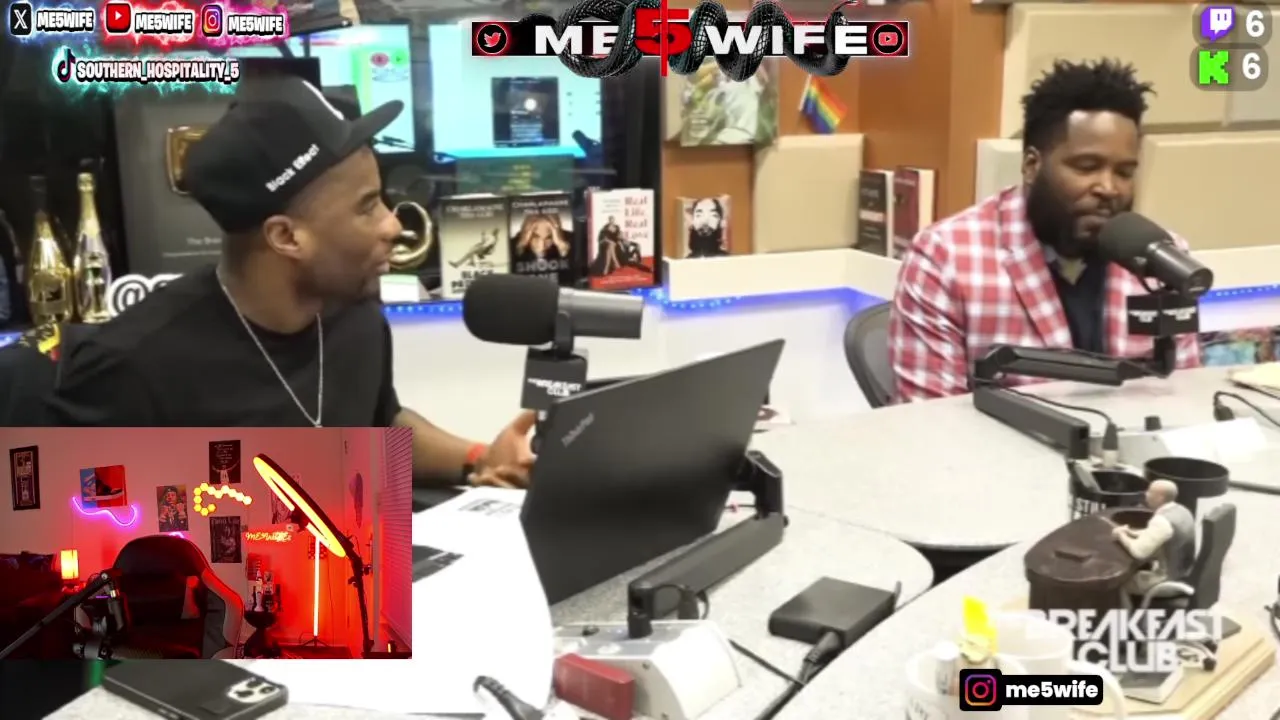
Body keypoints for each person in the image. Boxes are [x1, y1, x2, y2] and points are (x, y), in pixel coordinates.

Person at [47, 77, 535, 489]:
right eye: (367, 206)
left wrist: (479, 458)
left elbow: (379, 425)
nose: (392, 224)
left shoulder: (355, 318)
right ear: (286, 237)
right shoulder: (134, 366)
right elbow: (82, 526)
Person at [888, 59, 1200, 403]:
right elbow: (930, 422)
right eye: (1087, 167)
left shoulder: (1160, 260)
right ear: (1031, 165)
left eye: (1124, 172)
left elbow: (1184, 400)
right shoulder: (945, 259)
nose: (1109, 188)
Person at [1111, 479, 1196, 607]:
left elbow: (1138, 552)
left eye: (1150, 492)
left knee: (1119, 584)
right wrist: (1132, 532)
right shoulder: (1183, 511)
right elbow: (1162, 534)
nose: (1146, 494)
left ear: (1160, 497)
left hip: (1167, 580)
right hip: (1186, 573)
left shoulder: (1162, 520)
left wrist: (1120, 534)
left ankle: (1128, 616)